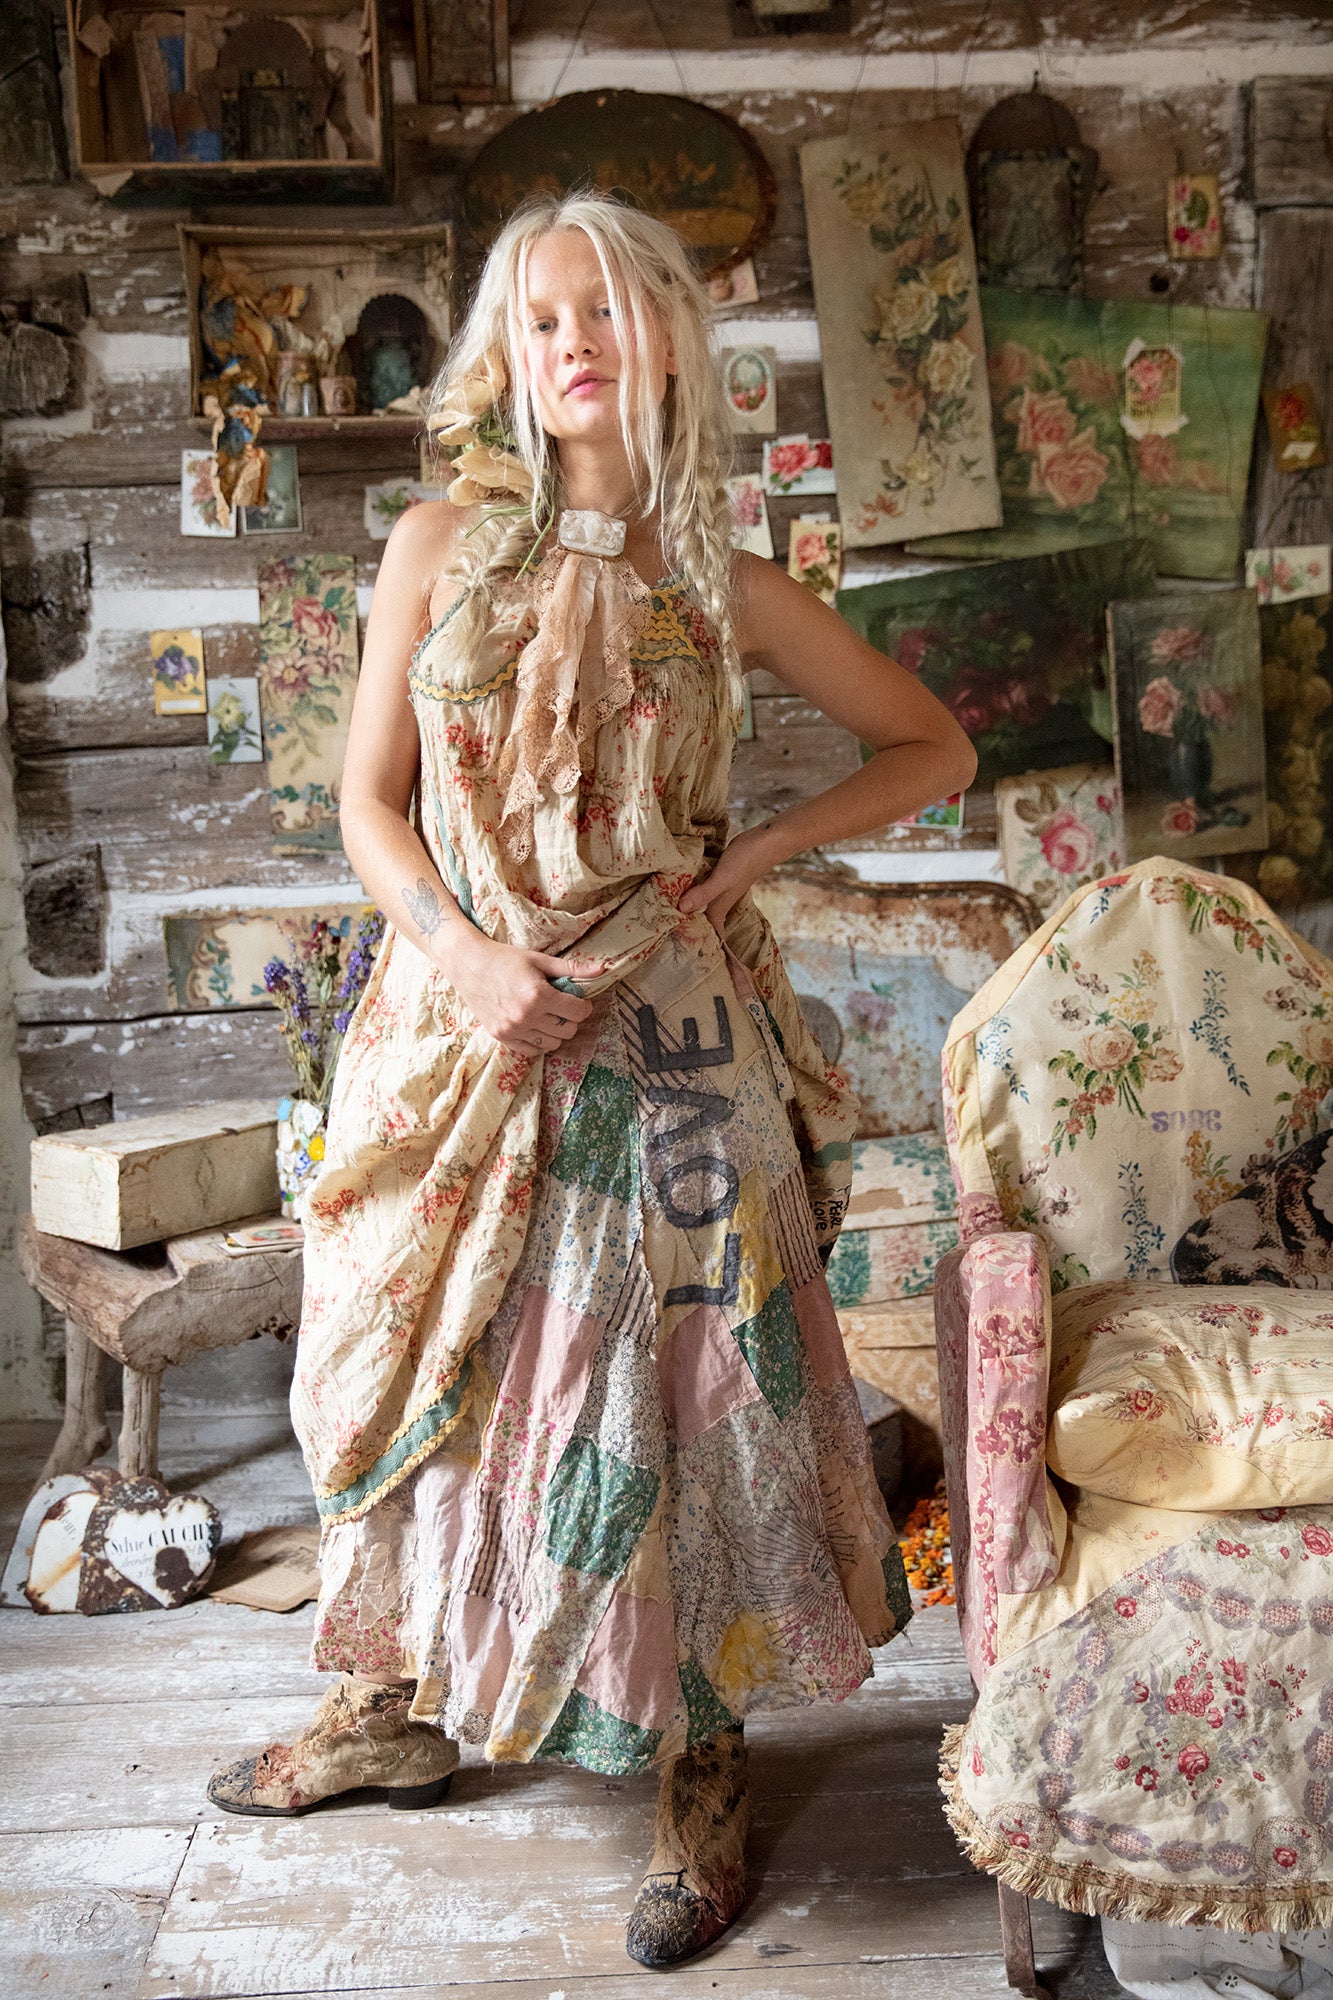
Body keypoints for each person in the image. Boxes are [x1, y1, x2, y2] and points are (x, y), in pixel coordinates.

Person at [207, 190, 977, 1968]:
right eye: (543, 318)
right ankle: (386, 1703)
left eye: (606, 315)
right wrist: (466, 957)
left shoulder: (722, 580)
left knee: (676, 1395)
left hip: (666, 1040)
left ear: (667, 350)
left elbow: (929, 745)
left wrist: (756, 849)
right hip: (456, 1022)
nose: (572, 346)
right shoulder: (431, 546)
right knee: (400, 1354)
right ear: (509, 349)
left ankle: (697, 1766)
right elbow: (367, 806)